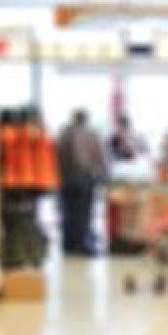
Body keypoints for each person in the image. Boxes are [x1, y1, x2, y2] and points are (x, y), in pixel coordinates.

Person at [56, 109, 108, 255]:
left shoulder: (63, 134)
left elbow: (56, 156)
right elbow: (99, 157)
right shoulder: (91, 134)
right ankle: (81, 243)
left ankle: (68, 244)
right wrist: (102, 176)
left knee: (67, 211)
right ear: (86, 119)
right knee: (84, 212)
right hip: (85, 177)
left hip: (65, 177)